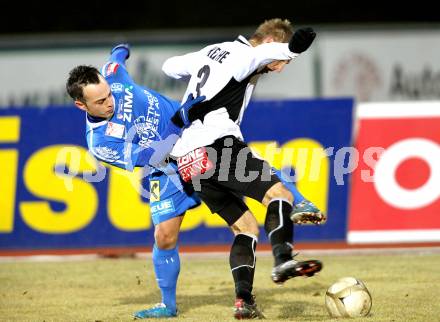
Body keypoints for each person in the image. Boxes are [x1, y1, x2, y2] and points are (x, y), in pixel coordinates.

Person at [162, 18, 324, 319]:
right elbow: (268, 54)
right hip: (218, 147)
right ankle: (283, 259)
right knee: (280, 195)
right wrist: (295, 47)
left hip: (187, 160)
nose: (278, 68)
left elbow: (169, 66)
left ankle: (244, 301)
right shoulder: (248, 54)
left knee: (246, 228)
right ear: (268, 43)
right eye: (280, 62)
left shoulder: (211, 51)